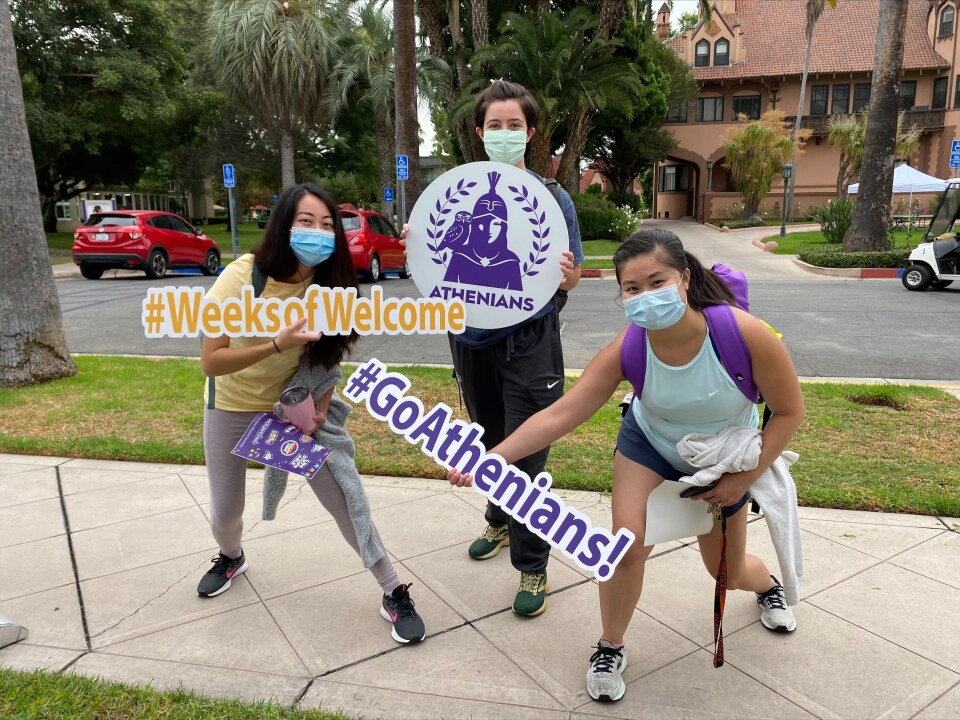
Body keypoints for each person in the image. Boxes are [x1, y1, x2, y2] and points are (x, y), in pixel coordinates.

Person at [448, 228, 804, 702]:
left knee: (727, 572)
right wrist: (494, 456)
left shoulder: (741, 333)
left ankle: (768, 587)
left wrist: (744, 479)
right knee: (625, 548)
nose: (645, 296)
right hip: (649, 445)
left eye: (657, 281)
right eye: (632, 288)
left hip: (722, 457)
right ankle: (610, 645)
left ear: (685, 277)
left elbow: (789, 412)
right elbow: (561, 412)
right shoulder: (630, 345)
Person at [197, 182, 425, 644]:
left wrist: (318, 406)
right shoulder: (242, 278)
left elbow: (327, 357)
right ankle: (231, 556)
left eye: (327, 224)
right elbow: (210, 360)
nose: (317, 233)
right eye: (306, 222)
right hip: (232, 406)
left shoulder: (330, 284)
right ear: (284, 225)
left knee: (343, 496)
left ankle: (392, 589)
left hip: (287, 411)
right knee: (226, 513)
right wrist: (277, 343)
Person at [433, 79, 584, 618]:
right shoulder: (455, 194)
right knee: (490, 437)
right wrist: (421, 244)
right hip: (471, 341)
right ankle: (499, 523)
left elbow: (572, 280)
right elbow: (434, 267)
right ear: (479, 132)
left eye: (513, 125)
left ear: (531, 132)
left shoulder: (553, 197)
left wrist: (566, 277)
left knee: (526, 453)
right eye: (493, 125)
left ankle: (533, 565)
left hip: (531, 345)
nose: (503, 133)